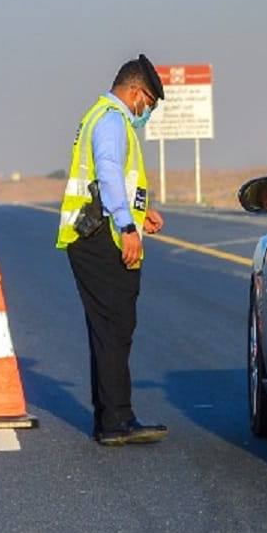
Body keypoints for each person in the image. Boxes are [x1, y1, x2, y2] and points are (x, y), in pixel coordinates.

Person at [56, 55, 169, 446]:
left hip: (94, 234)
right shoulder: (111, 120)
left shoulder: (101, 116)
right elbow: (106, 171)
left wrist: (140, 211)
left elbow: (116, 179)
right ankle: (116, 421)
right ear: (136, 92)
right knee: (115, 327)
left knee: (110, 328)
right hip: (101, 237)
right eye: (149, 103)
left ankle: (111, 418)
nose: (147, 112)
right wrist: (127, 226)